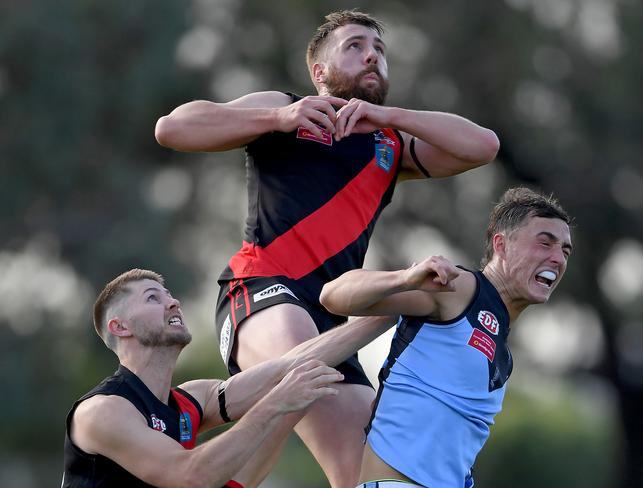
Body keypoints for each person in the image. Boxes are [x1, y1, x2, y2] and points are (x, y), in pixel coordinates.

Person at [155, 9, 500, 487]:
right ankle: (185, 461)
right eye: (355, 46)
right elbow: (172, 128)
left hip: (333, 317)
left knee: (362, 476)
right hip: (259, 290)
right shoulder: (283, 109)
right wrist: (277, 117)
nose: (372, 56)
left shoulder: (391, 145)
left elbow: (482, 146)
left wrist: (388, 115)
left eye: (379, 50)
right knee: (304, 364)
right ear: (319, 73)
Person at [319, 187, 573, 488]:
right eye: (545, 243)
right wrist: (403, 278)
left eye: (565, 250)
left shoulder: (503, 353)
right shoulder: (460, 289)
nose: (557, 258)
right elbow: (332, 295)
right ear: (502, 246)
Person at [61, 268, 395, 487]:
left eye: (169, 295)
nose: (174, 302)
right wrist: (278, 402)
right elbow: (192, 475)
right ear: (120, 327)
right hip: (193, 475)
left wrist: (394, 310)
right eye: (153, 297)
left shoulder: (191, 400)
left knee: (291, 391)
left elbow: (291, 364)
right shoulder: (102, 412)